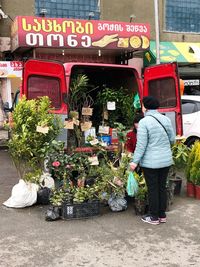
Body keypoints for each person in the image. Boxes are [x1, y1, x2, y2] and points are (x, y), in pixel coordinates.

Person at [129, 96, 175, 225]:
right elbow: (172, 140)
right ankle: (162, 215)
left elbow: (141, 145)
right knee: (161, 187)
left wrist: (134, 161)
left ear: (145, 107)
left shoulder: (144, 122)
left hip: (151, 163)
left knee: (153, 189)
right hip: (165, 161)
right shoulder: (165, 119)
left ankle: (153, 217)